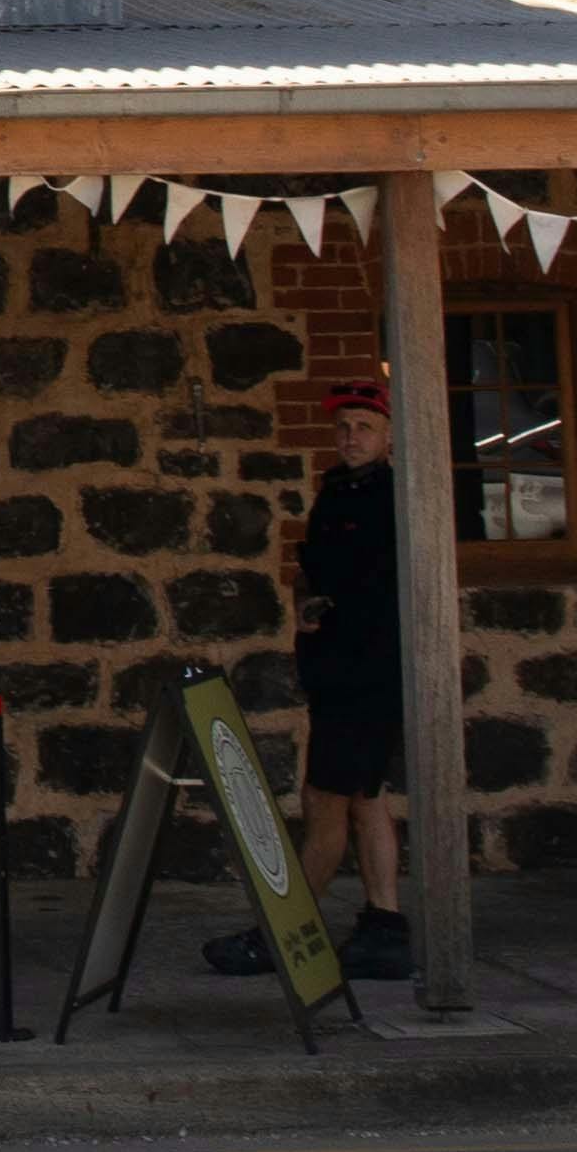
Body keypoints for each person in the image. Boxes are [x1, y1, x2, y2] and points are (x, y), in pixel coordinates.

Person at [219, 383, 418, 982]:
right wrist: (308, 603)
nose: (351, 437)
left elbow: (382, 589)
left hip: (367, 672)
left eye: (364, 427)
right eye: (344, 427)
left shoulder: (393, 500)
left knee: (324, 801)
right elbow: (320, 573)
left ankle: (287, 933)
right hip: (338, 670)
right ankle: (385, 927)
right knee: (366, 798)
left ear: (388, 437)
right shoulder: (338, 492)